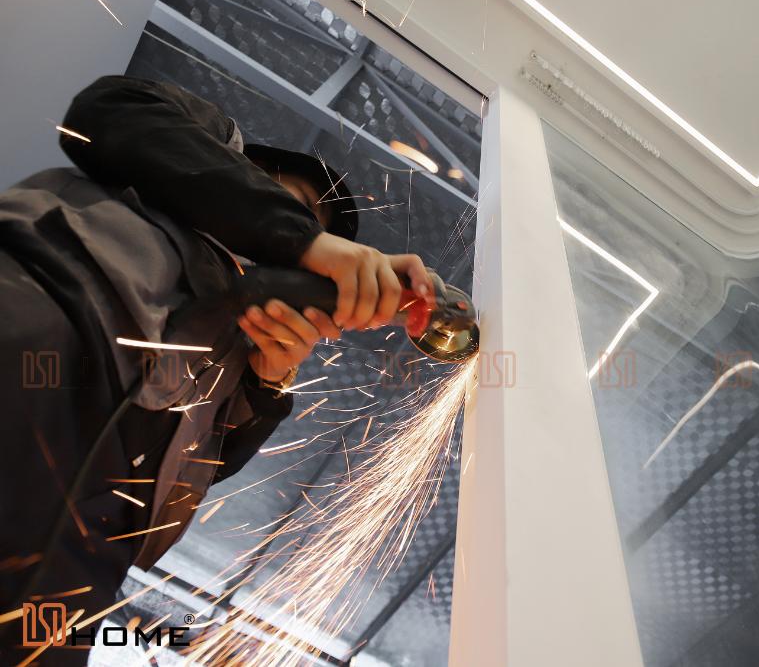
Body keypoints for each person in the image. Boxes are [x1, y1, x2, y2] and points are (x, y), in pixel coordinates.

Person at [0, 75, 434, 664]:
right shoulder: (196, 146)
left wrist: (267, 378)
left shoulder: (241, 339)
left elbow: (205, 466)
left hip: (86, 551)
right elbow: (107, 110)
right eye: (292, 207)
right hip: (46, 329)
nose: (287, 235)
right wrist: (301, 239)